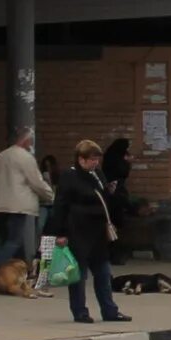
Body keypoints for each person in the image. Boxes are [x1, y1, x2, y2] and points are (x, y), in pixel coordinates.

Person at [56, 139, 131, 325]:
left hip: (97, 232)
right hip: (78, 230)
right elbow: (60, 205)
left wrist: (110, 191)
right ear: (81, 159)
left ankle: (110, 310)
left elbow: (103, 197)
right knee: (79, 275)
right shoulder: (69, 176)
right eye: (92, 159)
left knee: (104, 273)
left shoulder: (97, 174)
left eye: (97, 159)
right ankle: (80, 312)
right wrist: (60, 233)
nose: (95, 163)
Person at [0, 125, 55, 295]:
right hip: (18, 206)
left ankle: (11, 277)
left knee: (9, 243)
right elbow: (36, 181)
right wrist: (51, 196)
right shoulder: (25, 157)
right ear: (25, 140)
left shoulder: (0, 156)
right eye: (30, 140)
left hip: (0, 205)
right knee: (15, 240)